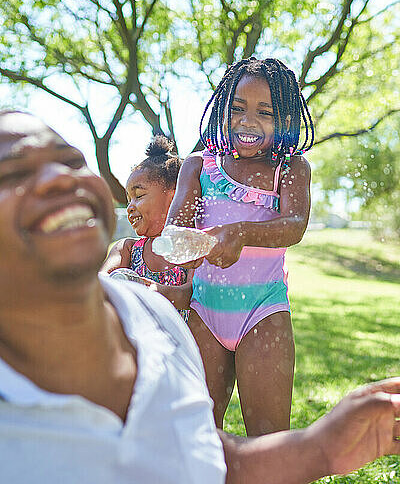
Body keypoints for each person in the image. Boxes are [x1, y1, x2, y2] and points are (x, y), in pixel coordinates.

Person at [0, 110, 399, 484]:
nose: (59, 178)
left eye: (71, 160)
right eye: (13, 172)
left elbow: (200, 453)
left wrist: (322, 448)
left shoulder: (155, 319)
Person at [166, 57, 314, 435]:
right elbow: (174, 232)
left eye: (265, 113)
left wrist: (241, 233)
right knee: (197, 433)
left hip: (263, 313)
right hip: (203, 312)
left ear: (285, 120)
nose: (248, 122)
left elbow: (294, 226)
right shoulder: (199, 165)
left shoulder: (290, 168)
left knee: (269, 439)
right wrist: (186, 255)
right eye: (237, 109)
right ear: (222, 109)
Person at [101, 135, 191, 320]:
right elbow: (102, 280)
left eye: (139, 195)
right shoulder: (127, 249)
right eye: (128, 199)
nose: (129, 207)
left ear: (174, 198)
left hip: (185, 344)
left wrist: (151, 290)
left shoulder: (192, 248)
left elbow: (191, 294)